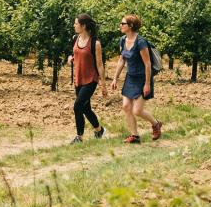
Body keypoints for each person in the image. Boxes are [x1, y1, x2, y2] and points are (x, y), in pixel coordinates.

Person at [111, 14, 162, 144]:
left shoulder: (140, 42)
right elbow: (122, 59)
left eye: (123, 24)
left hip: (143, 78)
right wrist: (115, 78)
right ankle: (134, 135)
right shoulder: (123, 40)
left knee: (137, 110)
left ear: (131, 26)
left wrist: (147, 84)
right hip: (130, 77)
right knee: (126, 107)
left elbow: (147, 64)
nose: (120, 26)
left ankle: (156, 124)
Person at [67, 13, 107, 144]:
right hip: (78, 78)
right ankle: (99, 130)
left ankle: (79, 137)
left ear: (83, 26)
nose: (74, 25)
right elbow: (74, 53)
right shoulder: (75, 38)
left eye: (76, 23)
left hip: (91, 79)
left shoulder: (95, 43)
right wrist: (70, 58)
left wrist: (103, 85)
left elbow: (100, 65)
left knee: (77, 106)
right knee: (85, 108)